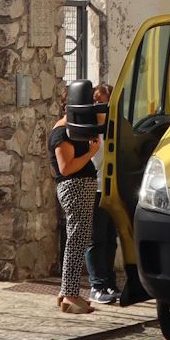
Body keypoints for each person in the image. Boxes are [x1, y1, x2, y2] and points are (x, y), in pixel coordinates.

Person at [48, 94, 100, 314]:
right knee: (76, 241)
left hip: (81, 187)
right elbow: (66, 168)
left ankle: (66, 292)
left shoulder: (73, 130)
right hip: (74, 187)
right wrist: (91, 153)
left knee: (78, 238)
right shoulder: (62, 132)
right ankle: (70, 295)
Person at [85, 83, 120, 305]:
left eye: (106, 103)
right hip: (95, 190)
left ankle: (109, 282)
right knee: (96, 239)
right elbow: (93, 162)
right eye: (98, 102)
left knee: (110, 240)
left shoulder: (116, 130)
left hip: (112, 191)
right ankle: (96, 284)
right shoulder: (88, 132)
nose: (101, 107)